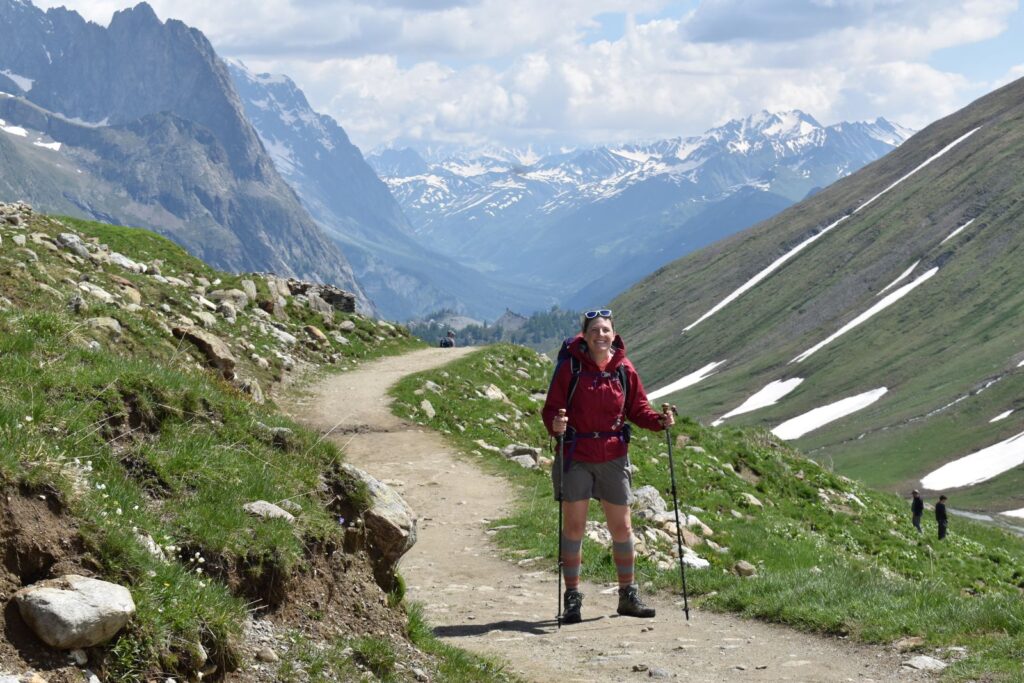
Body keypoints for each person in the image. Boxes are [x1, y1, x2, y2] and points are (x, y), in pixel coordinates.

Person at [542, 308, 674, 624]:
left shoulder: (624, 369)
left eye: (606, 330)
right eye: (595, 330)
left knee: (623, 528)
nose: (601, 335)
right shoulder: (570, 368)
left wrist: (659, 421)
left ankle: (628, 595)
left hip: (613, 456)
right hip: (576, 455)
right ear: (584, 336)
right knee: (574, 529)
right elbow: (551, 410)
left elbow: (638, 408)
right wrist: (556, 426)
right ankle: (572, 598)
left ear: (614, 335)